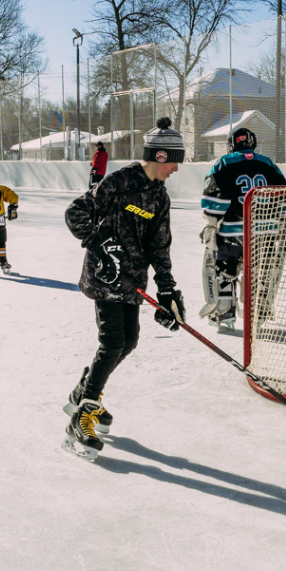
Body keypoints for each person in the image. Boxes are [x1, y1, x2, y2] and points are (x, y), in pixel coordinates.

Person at [59, 117, 186, 460]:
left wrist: (168, 291)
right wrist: (102, 248)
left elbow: (159, 248)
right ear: (159, 156)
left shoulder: (159, 198)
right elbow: (76, 213)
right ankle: (81, 417)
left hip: (132, 281)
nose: (176, 168)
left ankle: (85, 392)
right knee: (112, 342)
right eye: (174, 160)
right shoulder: (119, 183)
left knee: (128, 341)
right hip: (105, 278)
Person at [198, 128, 286, 328]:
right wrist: (284, 222)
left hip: (232, 232)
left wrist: (212, 222)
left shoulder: (223, 163)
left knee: (224, 271)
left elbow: (214, 200)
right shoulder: (268, 163)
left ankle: (225, 314)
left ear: (231, 144)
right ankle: (258, 315)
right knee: (260, 273)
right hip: (265, 233)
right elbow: (285, 196)